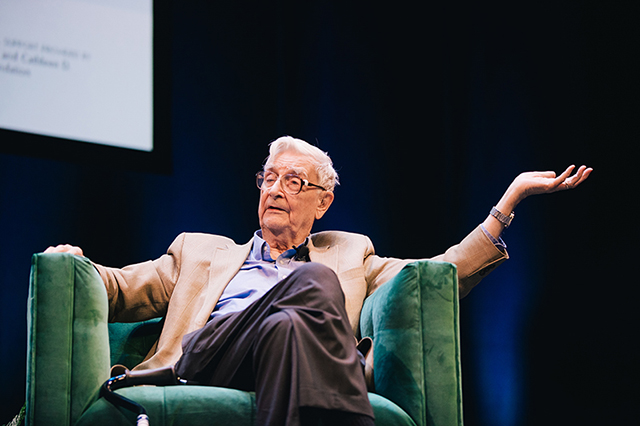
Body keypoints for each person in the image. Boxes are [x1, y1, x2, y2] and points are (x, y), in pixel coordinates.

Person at [45, 136, 592, 426]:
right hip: (210, 356)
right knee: (314, 283)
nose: (274, 188)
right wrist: (76, 263)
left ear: (323, 201)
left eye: (293, 180)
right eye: (269, 177)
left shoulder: (351, 252)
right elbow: (120, 288)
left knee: (290, 323)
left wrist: (507, 204)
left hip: (291, 355)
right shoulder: (200, 251)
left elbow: (435, 277)